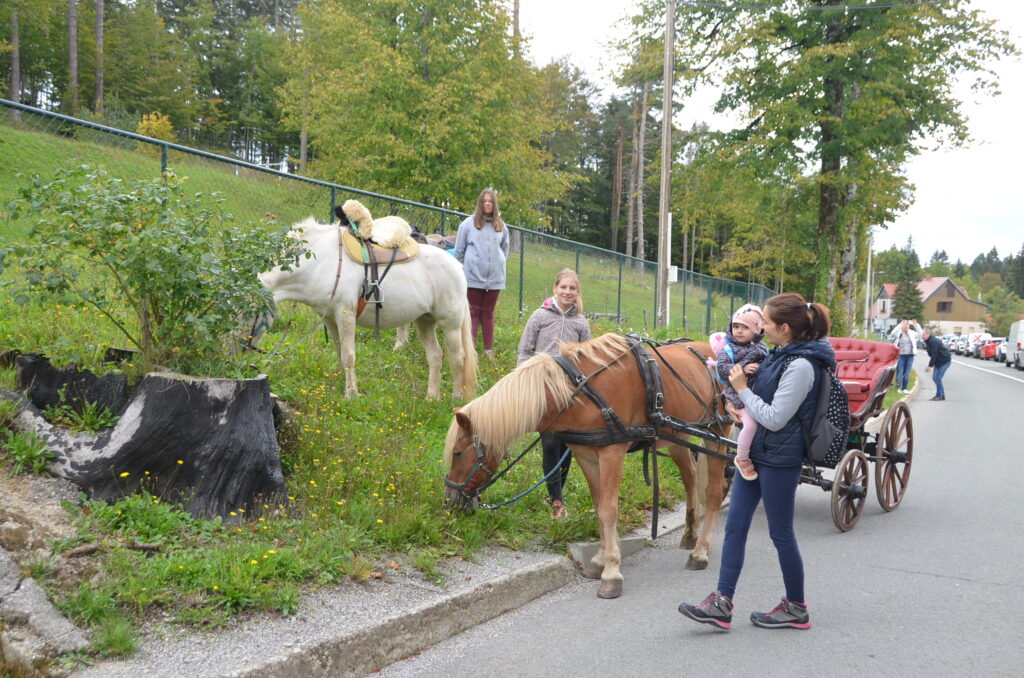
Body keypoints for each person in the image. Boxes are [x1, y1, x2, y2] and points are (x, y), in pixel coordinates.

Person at [679, 292, 834, 631]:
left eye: (765, 321)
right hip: (757, 452)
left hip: (781, 459)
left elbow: (777, 418)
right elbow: (760, 405)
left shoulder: (802, 366)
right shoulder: (781, 355)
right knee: (734, 527)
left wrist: (742, 390)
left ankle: (796, 607)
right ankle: (722, 603)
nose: (760, 326)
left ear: (785, 328)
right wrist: (738, 408)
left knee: (781, 534)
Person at [516, 269, 592, 519]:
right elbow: (525, 350)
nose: (567, 292)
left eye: (572, 288)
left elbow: (588, 357)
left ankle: (558, 494)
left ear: (577, 292)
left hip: (570, 391)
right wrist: (522, 380)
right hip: (543, 387)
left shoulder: (580, 322)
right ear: (555, 288)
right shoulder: (540, 316)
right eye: (563, 288)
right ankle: (556, 500)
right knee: (549, 442)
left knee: (566, 444)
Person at [715, 304, 769, 482]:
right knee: (751, 424)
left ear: (756, 330)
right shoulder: (728, 349)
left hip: (757, 393)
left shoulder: (762, 349)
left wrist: (760, 368)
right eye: (735, 326)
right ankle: (742, 457)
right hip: (737, 395)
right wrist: (742, 369)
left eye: (745, 327)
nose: (739, 331)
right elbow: (721, 369)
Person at [455, 189, 510, 359]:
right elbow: (459, 251)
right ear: (480, 203)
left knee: (488, 314)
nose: (487, 203)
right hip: (473, 278)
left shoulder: (501, 226)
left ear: (494, 204)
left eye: (490, 201)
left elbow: (504, 251)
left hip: (495, 278)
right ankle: (470, 350)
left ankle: (488, 350)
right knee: (472, 314)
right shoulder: (468, 224)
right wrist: (468, 268)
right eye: (484, 201)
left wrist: (496, 264)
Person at [888, 319, 921, 394]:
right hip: (901, 356)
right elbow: (892, 333)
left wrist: (916, 325)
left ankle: (905, 388)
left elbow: (920, 333)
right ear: (902, 326)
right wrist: (900, 325)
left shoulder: (912, 333)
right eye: (905, 325)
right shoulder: (899, 333)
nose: (906, 326)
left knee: (907, 373)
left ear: (909, 326)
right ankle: (898, 387)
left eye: (907, 325)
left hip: (910, 355)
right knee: (900, 372)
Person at [921, 327, 951, 401]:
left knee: (937, 378)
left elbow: (934, 354)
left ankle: (939, 395)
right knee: (935, 378)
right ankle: (942, 395)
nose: (922, 336)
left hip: (944, 361)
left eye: (923, 334)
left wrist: (930, 365)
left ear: (928, 333)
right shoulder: (929, 341)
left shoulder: (933, 341)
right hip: (938, 362)